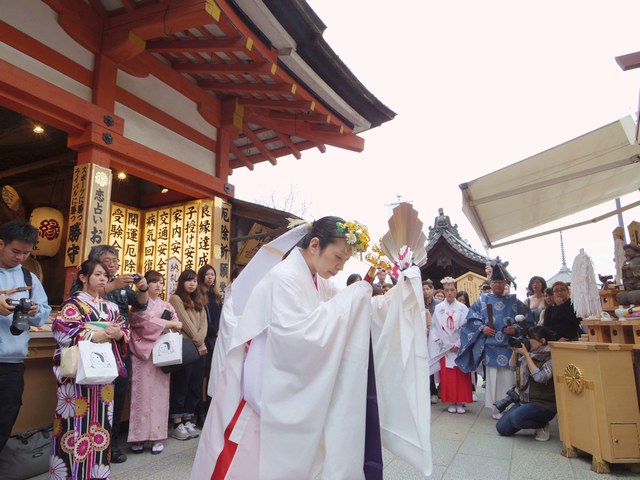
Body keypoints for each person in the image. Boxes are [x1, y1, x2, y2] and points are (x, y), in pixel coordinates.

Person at [190, 217, 432, 479]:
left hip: (282, 388)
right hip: (260, 389)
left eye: (344, 261)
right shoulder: (283, 277)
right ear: (315, 244)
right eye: (337, 257)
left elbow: (349, 312)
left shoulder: (318, 280)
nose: (340, 267)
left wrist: (395, 296)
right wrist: (355, 297)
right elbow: (300, 336)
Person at [50, 259, 128, 479]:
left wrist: (119, 335)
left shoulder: (110, 307)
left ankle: (97, 472)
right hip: (78, 376)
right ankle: (70, 474)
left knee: (102, 423)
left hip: (102, 375)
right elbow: (62, 330)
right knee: (73, 424)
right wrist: (95, 335)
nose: (103, 278)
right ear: (83, 277)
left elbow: (124, 332)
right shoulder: (72, 305)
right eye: (97, 274)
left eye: (105, 275)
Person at [80, 245, 149, 463]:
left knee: (118, 394)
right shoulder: (84, 278)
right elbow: (81, 296)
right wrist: (112, 284)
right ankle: (87, 443)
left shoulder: (120, 285)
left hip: (119, 346)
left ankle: (111, 444)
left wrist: (143, 288)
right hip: (91, 347)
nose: (113, 264)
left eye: (115, 260)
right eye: (107, 261)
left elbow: (141, 305)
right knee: (91, 396)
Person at [456, 264, 533, 420]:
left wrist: (516, 329)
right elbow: (470, 319)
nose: (497, 285)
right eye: (495, 282)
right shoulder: (482, 301)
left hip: (509, 348)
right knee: (493, 378)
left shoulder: (514, 302)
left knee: (508, 377)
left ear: (505, 283)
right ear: (490, 284)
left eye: (500, 282)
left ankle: (510, 405)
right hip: (490, 347)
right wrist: (482, 328)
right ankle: (495, 407)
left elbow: (528, 320)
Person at [0, 219, 51, 453]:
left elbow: (43, 315)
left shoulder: (30, 279)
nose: (20, 257)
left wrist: (34, 311)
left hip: (12, 364)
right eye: (15, 251)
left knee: (5, 420)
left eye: (26, 253)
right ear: (1, 244)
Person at [127, 270, 182, 455]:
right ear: (146, 284)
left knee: (160, 394)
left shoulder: (166, 305)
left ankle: (158, 436)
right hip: (143, 355)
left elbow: (178, 324)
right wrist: (168, 325)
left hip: (161, 354)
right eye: (154, 282)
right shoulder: (138, 305)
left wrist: (169, 325)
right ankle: (139, 437)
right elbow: (142, 323)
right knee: (141, 394)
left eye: (161, 282)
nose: (158, 285)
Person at [496, 326, 556, 441]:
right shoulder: (529, 355)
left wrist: (527, 355)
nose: (527, 341)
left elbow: (540, 377)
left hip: (543, 404)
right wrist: (515, 351)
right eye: (526, 338)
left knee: (515, 418)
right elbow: (513, 367)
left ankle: (542, 424)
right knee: (502, 428)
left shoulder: (551, 357)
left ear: (542, 341)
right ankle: (527, 416)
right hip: (524, 401)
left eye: (531, 338)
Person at [168, 269, 207, 440]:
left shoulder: (198, 300)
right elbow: (184, 322)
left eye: (194, 281)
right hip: (186, 346)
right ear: (182, 282)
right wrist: (199, 342)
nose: (192, 284)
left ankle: (187, 418)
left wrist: (200, 341)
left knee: (194, 384)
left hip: (200, 347)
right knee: (181, 383)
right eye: (188, 280)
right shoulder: (176, 299)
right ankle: (177, 422)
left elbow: (204, 323)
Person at [429, 277, 471, 414]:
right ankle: (452, 401)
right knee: (449, 376)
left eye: (452, 290)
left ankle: (461, 401)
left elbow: (467, 328)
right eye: (446, 290)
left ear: (456, 291)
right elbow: (435, 328)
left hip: (460, 348)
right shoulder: (439, 308)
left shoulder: (462, 308)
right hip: (446, 348)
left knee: (461, 374)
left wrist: (458, 344)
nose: (449, 293)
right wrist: (446, 345)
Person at [197, 264, 223, 421]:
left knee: (213, 374)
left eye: (212, 274)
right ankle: (200, 412)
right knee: (203, 376)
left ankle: (210, 409)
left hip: (216, 339)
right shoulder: (198, 295)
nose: (210, 277)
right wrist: (214, 331)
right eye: (207, 274)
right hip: (205, 338)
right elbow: (203, 320)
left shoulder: (216, 296)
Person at [423, 279, 441, 404]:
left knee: (438, 366)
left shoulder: (439, 305)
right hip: (423, 339)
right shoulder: (418, 304)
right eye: (423, 289)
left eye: (427, 289)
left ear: (432, 290)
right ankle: (430, 391)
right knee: (426, 366)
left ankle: (439, 391)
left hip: (436, 339)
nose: (425, 291)